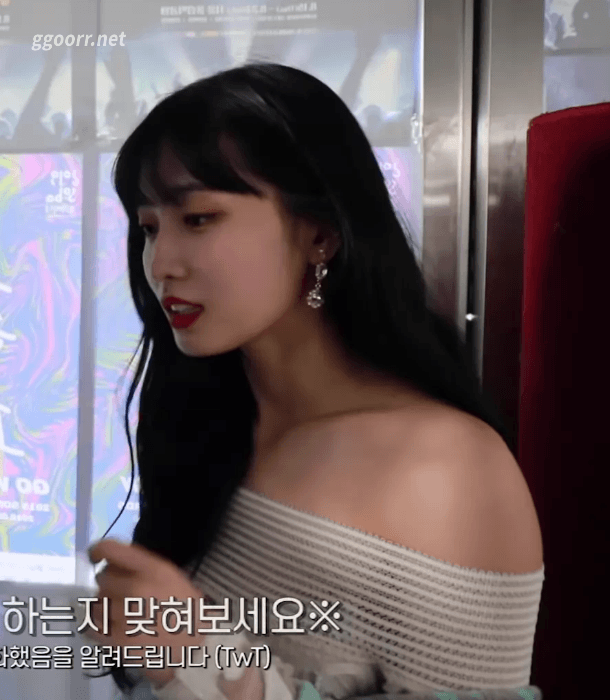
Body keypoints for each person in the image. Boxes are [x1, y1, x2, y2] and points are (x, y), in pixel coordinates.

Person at [88, 62, 544, 700]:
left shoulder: (447, 466)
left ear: (320, 235)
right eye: (149, 228)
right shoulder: (207, 416)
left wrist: (212, 664)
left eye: (198, 219)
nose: (160, 263)